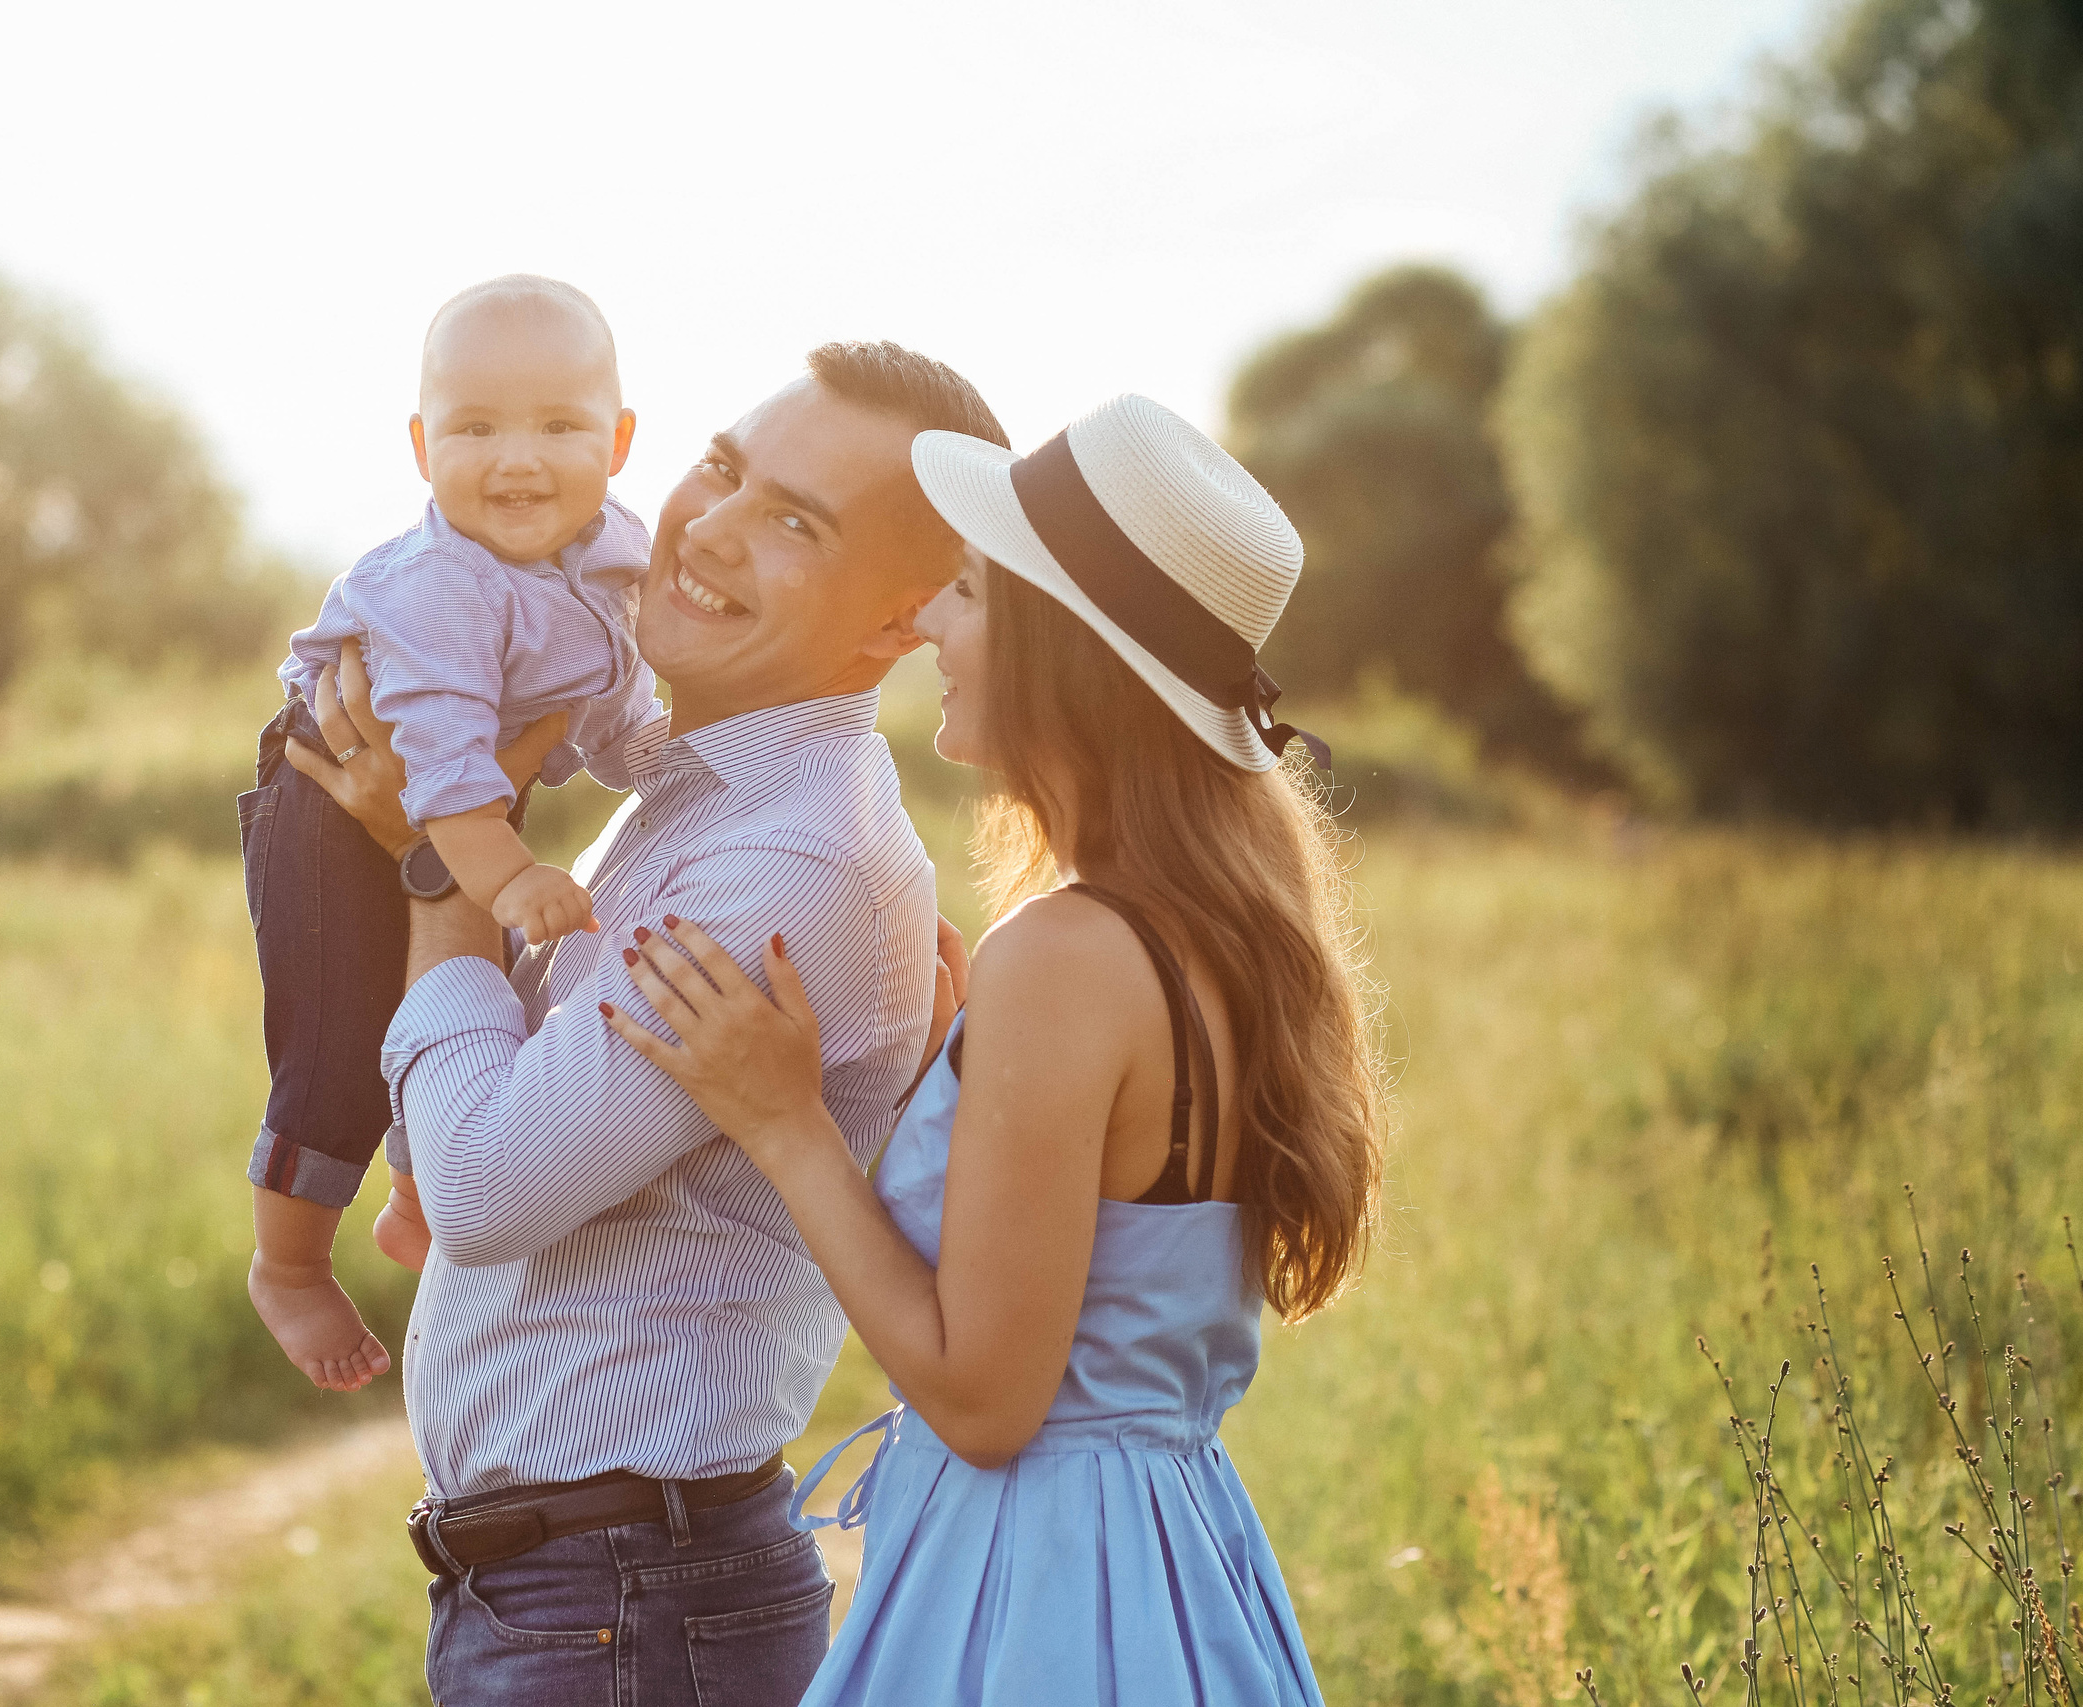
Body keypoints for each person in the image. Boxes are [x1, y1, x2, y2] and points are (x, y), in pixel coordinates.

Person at [601, 394, 1388, 1704]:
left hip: (1045, 1583)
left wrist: (783, 1120)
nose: (926, 627)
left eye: (964, 592)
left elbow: (985, 1397)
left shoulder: (1066, 955)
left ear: (1056, 648)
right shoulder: (1214, 939)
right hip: (1178, 1562)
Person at [278, 342, 1006, 1706]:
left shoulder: (783, 863)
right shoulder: (700, 787)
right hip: (594, 1596)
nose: (711, 526)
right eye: (724, 467)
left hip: (626, 1607)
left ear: (901, 619)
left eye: (796, 521)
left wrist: (435, 860)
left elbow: (490, 1183)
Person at [241, 275, 662, 1395]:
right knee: (338, 1036)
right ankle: (286, 1265)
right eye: (475, 428)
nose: (517, 458)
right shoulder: (438, 591)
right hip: (337, 792)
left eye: (559, 425)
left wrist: (657, 762)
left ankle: (422, 1197)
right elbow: (430, 766)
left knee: (464, 1000)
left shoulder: (614, 551)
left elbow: (612, 698)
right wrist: (509, 871)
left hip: (471, 791)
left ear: (617, 441)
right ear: (423, 445)